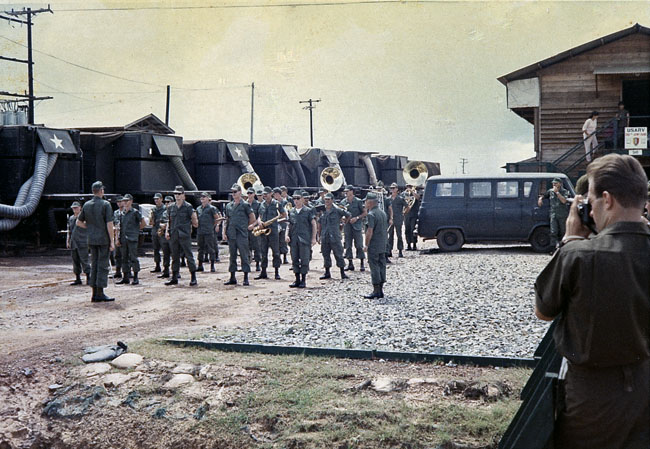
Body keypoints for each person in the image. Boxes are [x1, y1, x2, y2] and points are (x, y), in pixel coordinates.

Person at [534, 154, 649, 449]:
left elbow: (544, 311)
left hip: (594, 396)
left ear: (607, 200)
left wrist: (571, 240)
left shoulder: (579, 255)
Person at [76, 181, 115, 302]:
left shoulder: (87, 205)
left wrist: (90, 227)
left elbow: (78, 222)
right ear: (101, 191)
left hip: (91, 239)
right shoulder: (106, 204)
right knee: (102, 265)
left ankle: (94, 293)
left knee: (94, 265)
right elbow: (109, 224)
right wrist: (112, 241)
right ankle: (100, 293)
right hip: (103, 239)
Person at [165, 185, 198, 286]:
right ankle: (174, 277)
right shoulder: (171, 207)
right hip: (174, 234)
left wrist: (194, 225)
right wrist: (167, 231)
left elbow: (194, 219)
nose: (177, 196)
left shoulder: (188, 207)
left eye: (179, 194)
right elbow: (169, 221)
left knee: (188, 256)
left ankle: (193, 277)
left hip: (184, 235)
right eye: (175, 194)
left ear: (183, 195)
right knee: (174, 256)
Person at [224, 184, 256, 286]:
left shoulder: (245, 205)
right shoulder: (229, 206)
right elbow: (227, 219)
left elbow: (252, 217)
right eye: (232, 192)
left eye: (235, 192)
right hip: (232, 233)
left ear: (240, 192)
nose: (233, 194)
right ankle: (232, 277)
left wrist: (249, 226)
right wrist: (224, 232)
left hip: (241, 234)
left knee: (244, 255)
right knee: (232, 256)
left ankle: (246, 277)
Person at [286, 190, 317, 288]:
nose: (296, 200)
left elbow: (313, 224)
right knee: (294, 259)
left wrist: (313, 238)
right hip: (294, 239)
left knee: (304, 259)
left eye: (298, 198)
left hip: (304, 239)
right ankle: (297, 279)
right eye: (294, 198)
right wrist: (286, 235)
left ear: (302, 199)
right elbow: (289, 225)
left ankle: (303, 280)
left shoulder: (308, 211)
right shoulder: (291, 211)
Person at [255, 186, 286, 280]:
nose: (265, 196)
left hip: (273, 231)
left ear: (271, 194)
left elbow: (284, 215)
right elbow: (259, 216)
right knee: (263, 252)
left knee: (276, 252)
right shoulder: (262, 205)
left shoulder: (277, 204)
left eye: (266, 194)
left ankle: (276, 272)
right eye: (264, 194)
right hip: (264, 230)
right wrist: (260, 222)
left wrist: (275, 221)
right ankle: (263, 272)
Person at [318, 193, 350, 280]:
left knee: (338, 254)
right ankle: (327, 272)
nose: (327, 201)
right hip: (325, 236)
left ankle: (342, 273)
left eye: (328, 199)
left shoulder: (337, 210)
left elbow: (348, 215)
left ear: (332, 200)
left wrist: (343, 224)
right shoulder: (322, 210)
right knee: (325, 254)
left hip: (335, 236)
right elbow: (320, 223)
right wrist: (319, 235)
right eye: (326, 199)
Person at [363, 192, 388, 299]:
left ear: (370, 202)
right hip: (383, 243)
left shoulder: (371, 214)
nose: (365, 203)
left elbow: (370, 231)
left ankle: (376, 290)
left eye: (366, 201)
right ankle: (381, 290)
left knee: (374, 266)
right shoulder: (382, 213)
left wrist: (366, 245)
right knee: (382, 264)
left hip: (374, 245)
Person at [116, 194, 145, 285]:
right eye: (124, 201)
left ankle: (136, 277)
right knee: (124, 258)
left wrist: (136, 230)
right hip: (123, 238)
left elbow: (143, 222)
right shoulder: (122, 213)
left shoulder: (135, 212)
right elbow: (119, 226)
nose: (125, 203)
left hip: (132, 238)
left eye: (127, 201)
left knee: (133, 257)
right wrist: (118, 238)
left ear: (131, 201)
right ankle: (125, 277)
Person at [537, 178, 569, 250]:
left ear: (560, 184)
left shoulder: (564, 191)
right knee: (553, 231)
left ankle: (563, 247)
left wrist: (557, 193)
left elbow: (564, 201)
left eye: (556, 183)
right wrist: (540, 199)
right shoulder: (550, 191)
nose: (554, 185)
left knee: (563, 231)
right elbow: (544, 195)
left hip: (562, 214)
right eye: (553, 184)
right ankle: (552, 248)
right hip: (553, 214)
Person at [341, 185, 366, 272]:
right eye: (345, 191)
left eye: (347, 191)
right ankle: (350, 263)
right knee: (348, 245)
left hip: (357, 226)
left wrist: (357, 218)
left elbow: (364, 212)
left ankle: (362, 263)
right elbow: (341, 213)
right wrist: (343, 218)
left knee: (359, 245)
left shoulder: (358, 201)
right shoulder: (343, 202)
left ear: (352, 191)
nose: (346, 193)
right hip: (347, 226)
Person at [196, 192, 220, 273]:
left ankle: (212, 265)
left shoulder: (211, 208)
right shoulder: (198, 209)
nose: (202, 198)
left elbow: (216, 219)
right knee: (200, 248)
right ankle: (200, 265)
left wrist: (212, 226)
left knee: (210, 248)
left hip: (209, 231)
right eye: (201, 197)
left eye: (204, 197)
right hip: (200, 231)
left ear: (208, 198)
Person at [67, 201, 90, 286]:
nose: (75, 209)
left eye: (76, 208)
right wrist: (68, 241)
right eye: (73, 208)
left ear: (80, 208)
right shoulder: (71, 218)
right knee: (75, 260)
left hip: (82, 241)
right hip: (74, 242)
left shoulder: (84, 218)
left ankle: (88, 277)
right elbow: (70, 231)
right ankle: (78, 278)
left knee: (84, 260)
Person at [387, 182, 407, 258]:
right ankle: (389, 250)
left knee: (399, 235)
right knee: (390, 235)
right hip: (391, 219)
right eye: (391, 188)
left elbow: (407, 206)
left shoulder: (400, 199)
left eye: (394, 188)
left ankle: (400, 250)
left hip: (398, 218)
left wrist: (404, 213)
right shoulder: (388, 199)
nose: (392, 190)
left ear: (397, 189)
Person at [157, 196, 174, 278]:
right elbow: (160, 222)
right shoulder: (164, 213)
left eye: (169, 202)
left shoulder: (175, 211)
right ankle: (166, 271)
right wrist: (162, 225)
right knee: (165, 254)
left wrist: (168, 225)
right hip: (164, 235)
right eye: (166, 202)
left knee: (174, 254)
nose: (167, 204)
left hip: (173, 236)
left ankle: (175, 272)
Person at [150, 193, 166, 273]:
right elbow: (151, 221)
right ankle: (157, 265)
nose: (156, 200)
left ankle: (166, 267)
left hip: (162, 230)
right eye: (155, 199)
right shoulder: (154, 209)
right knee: (155, 249)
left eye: (157, 199)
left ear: (161, 199)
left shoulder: (165, 208)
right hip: (155, 229)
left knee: (165, 249)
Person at [246, 187, 262, 272]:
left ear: (254, 194)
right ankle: (247, 263)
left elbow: (259, 216)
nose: (249, 195)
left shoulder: (258, 204)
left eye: (251, 193)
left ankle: (257, 264)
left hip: (255, 228)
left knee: (257, 246)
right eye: (248, 193)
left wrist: (254, 224)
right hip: (246, 228)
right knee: (246, 246)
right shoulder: (245, 204)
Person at [274, 187, 290, 264]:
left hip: (283, 222)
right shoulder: (274, 203)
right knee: (276, 241)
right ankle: (278, 257)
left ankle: (285, 257)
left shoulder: (285, 202)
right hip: (276, 223)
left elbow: (286, 214)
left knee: (283, 240)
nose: (275, 196)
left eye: (277, 194)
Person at [112, 196, 125, 279]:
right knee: (117, 254)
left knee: (126, 254)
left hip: (125, 235)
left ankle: (127, 271)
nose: (119, 203)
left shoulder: (126, 211)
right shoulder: (116, 212)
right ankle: (117, 271)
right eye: (118, 202)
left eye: (120, 201)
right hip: (117, 234)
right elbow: (113, 222)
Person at [404, 185, 421, 251]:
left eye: (410, 187)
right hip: (407, 214)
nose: (408, 188)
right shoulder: (404, 193)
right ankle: (408, 244)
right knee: (407, 230)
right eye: (407, 187)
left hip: (414, 214)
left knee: (413, 230)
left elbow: (418, 197)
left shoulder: (416, 192)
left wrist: (412, 191)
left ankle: (414, 244)